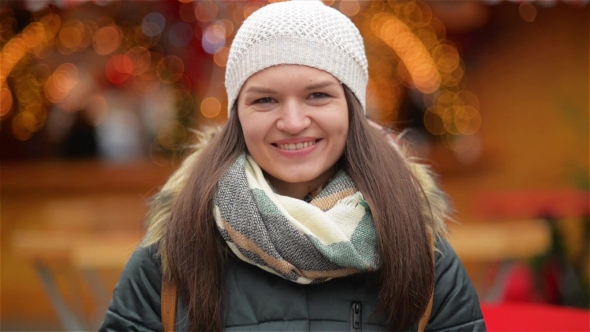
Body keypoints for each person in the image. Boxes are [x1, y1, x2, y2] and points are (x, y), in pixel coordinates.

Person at [100, 1, 485, 331]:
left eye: (317, 95)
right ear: (237, 115)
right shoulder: (174, 249)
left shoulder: (417, 244)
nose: (293, 121)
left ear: (352, 108)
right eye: (265, 100)